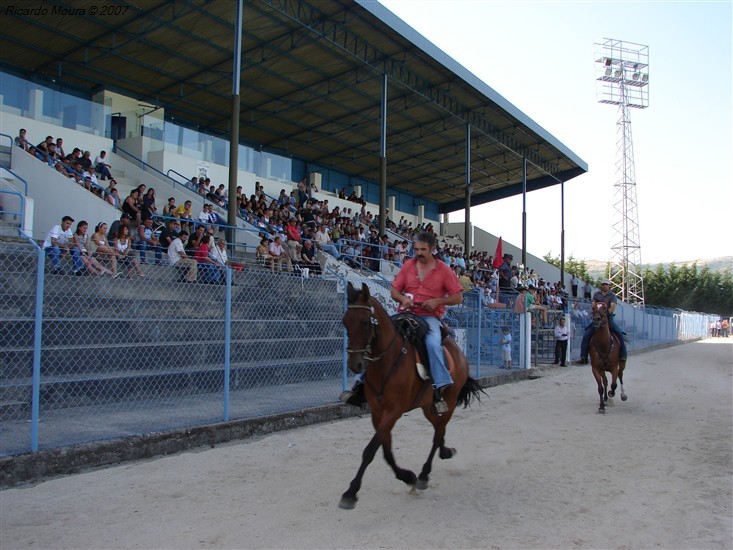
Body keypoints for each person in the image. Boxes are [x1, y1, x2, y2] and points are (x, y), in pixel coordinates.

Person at [577, 278, 627, 365]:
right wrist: (596, 311)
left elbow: (612, 307)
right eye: (603, 284)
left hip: (608, 318)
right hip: (597, 317)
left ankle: (623, 354)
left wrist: (606, 314)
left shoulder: (612, 296)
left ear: (609, 286)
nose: (604, 286)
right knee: (586, 334)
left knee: (619, 332)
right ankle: (583, 356)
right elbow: (593, 304)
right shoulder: (596, 294)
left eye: (606, 284)